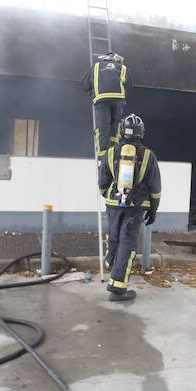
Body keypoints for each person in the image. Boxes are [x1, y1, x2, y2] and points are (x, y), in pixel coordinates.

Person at [98, 112, 161, 302]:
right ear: (141, 133)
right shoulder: (148, 155)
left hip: (113, 204)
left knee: (115, 236)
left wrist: (109, 196)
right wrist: (153, 209)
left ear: (122, 132)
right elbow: (155, 187)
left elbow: (102, 181)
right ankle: (118, 289)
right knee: (128, 241)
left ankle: (112, 265)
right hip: (136, 205)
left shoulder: (110, 152)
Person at [81, 52, 130, 157]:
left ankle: (103, 156)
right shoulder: (123, 68)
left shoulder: (96, 66)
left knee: (103, 127)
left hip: (101, 100)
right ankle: (114, 152)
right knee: (115, 126)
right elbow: (129, 86)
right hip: (118, 100)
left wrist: (93, 93)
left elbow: (85, 84)